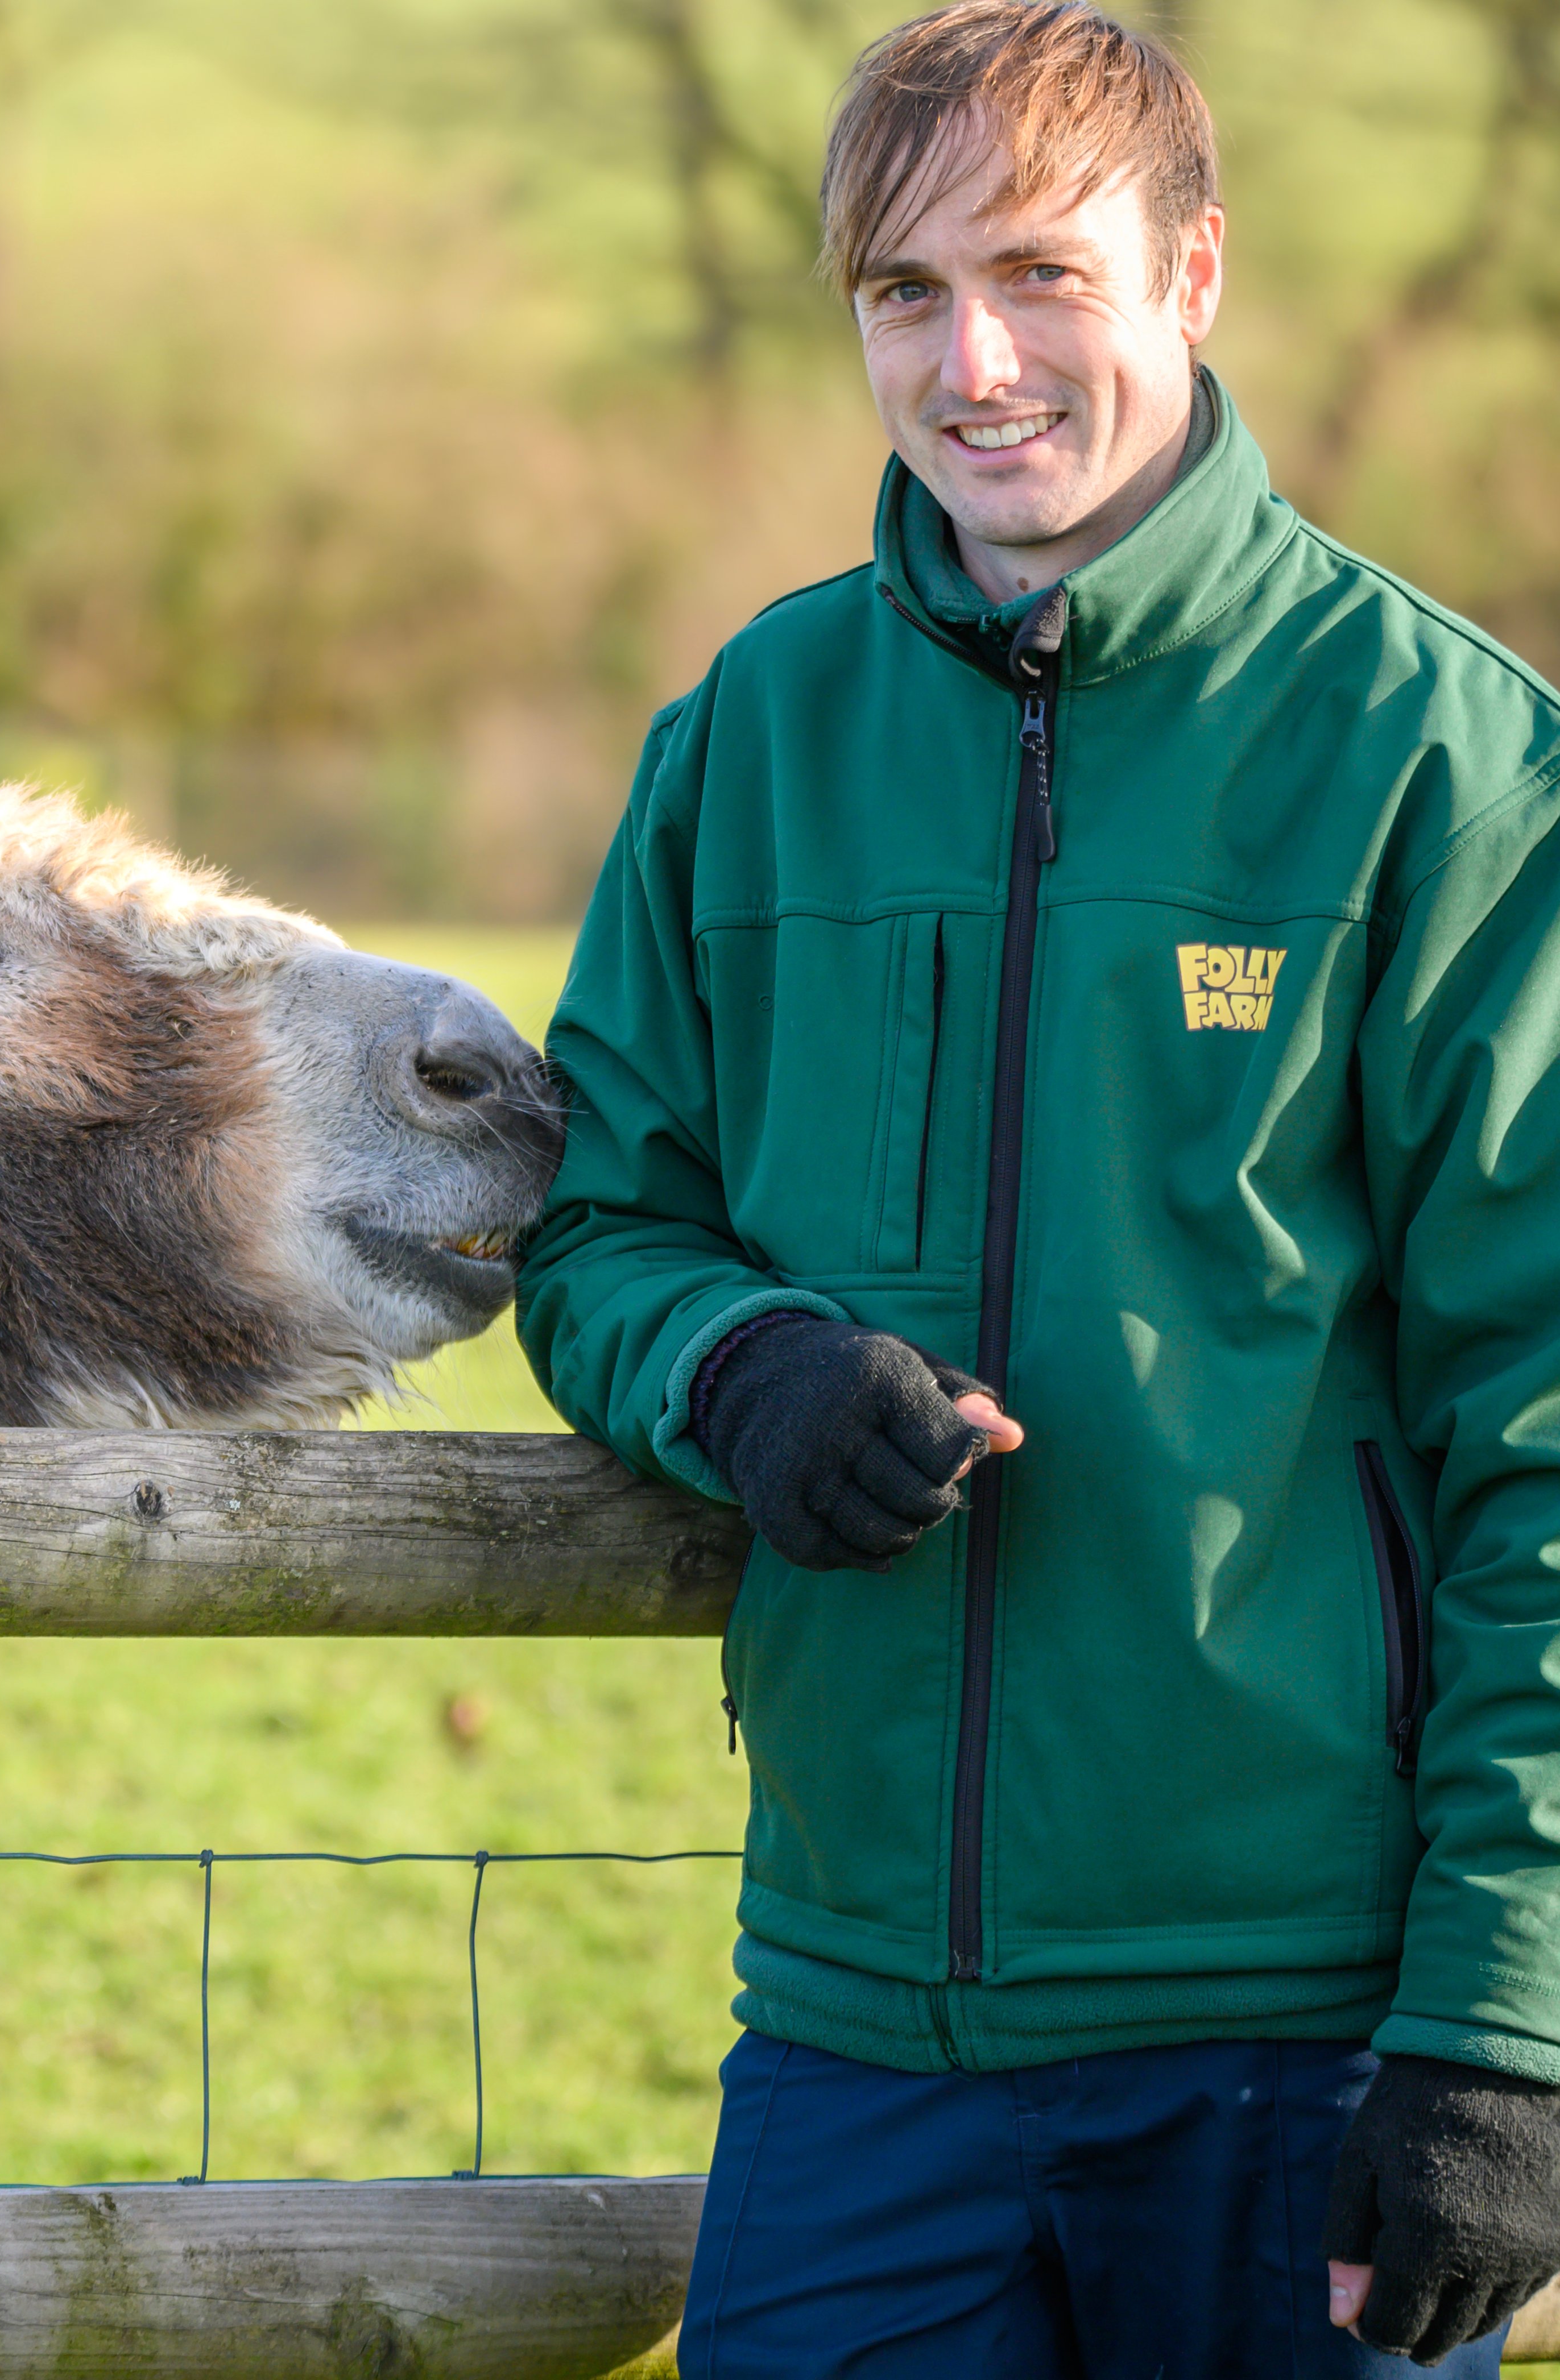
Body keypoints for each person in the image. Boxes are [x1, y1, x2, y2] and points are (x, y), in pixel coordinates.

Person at [515, 3, 1560, 2367]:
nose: (969, 359)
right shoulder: (748, 741)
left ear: (1187, 276)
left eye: (1035, 273)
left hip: (1308, 2045)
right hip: (861, 2028)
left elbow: (1550, 1423)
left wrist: (1503, 2020)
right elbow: (593, 1230)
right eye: (901, 291)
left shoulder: (1440, 765)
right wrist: (742, 1364)